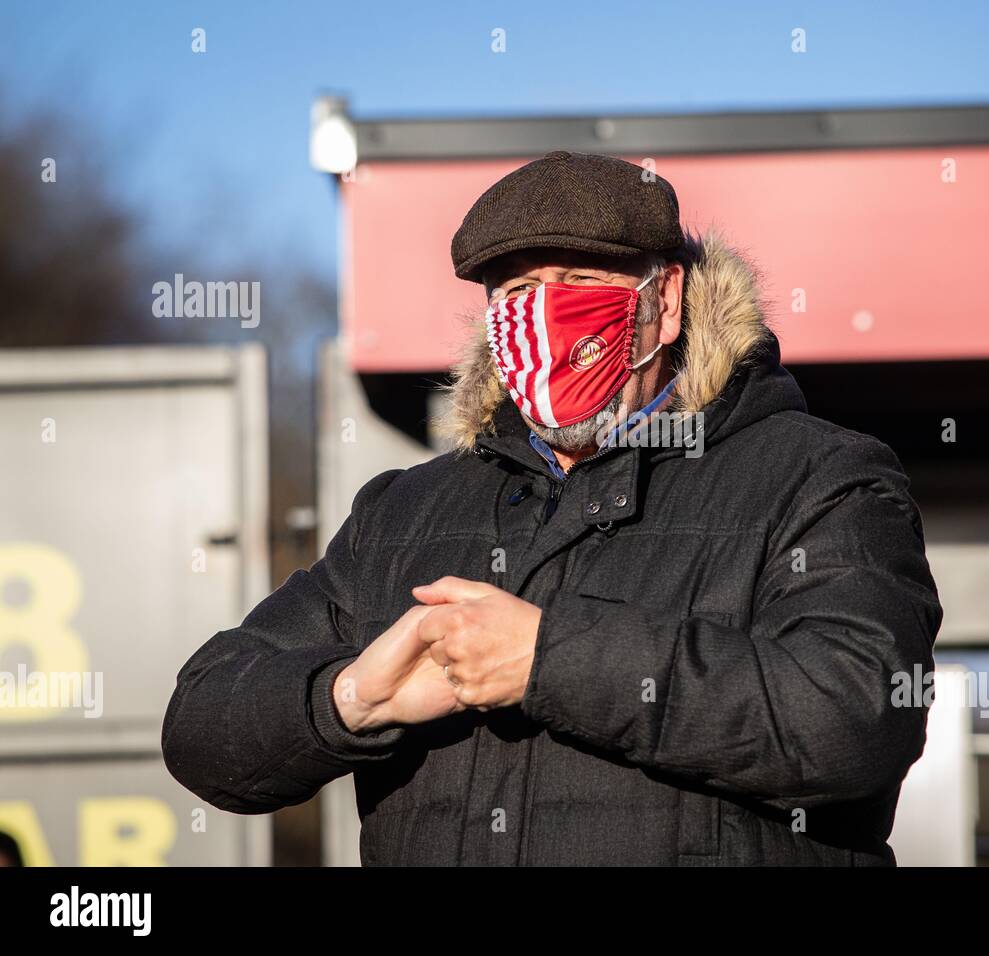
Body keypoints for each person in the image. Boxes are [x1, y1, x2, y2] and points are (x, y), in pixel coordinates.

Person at [162, 149, 943, 865]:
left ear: (665, 301)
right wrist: (349, 700)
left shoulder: (818, 476)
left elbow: (858, 718)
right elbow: (201, 724)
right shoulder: (404, 514)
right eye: (520, 291)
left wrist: (550, 660)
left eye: (581, 282)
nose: (548, 312)